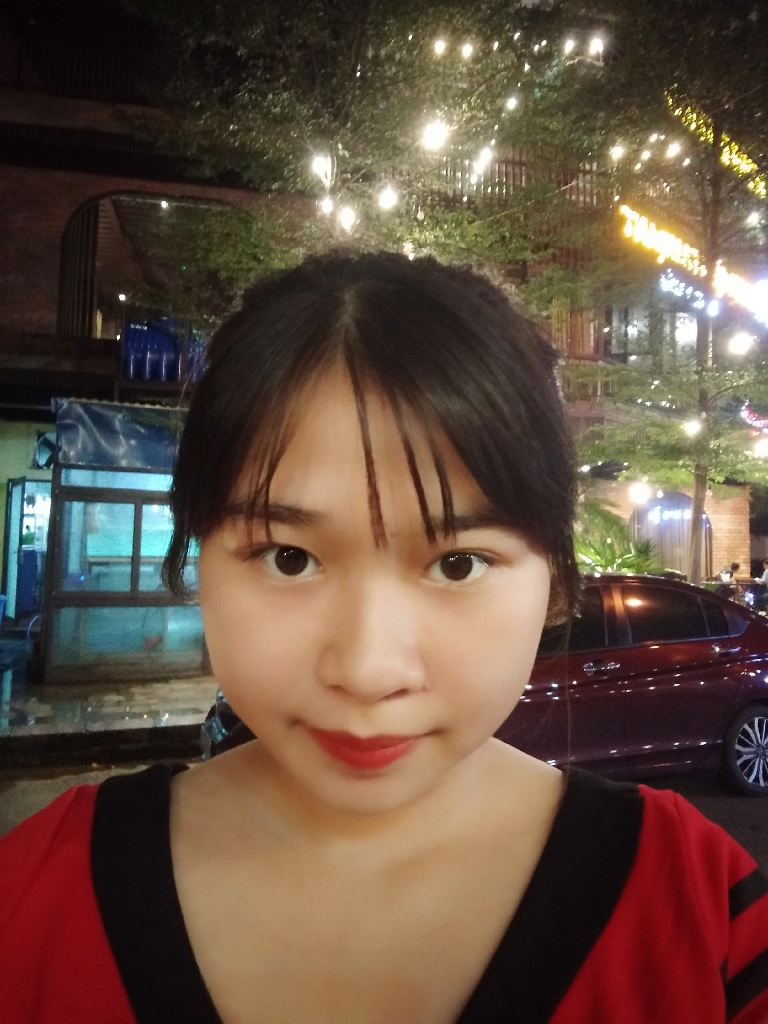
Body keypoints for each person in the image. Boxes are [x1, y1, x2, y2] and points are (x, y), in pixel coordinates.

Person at [1, 251, 767, 1024]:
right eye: (289, 558)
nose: (370, 671)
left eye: (458, 563)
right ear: (199, 555)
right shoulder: (32, 895)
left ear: (555, 579)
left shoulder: (705, 912)